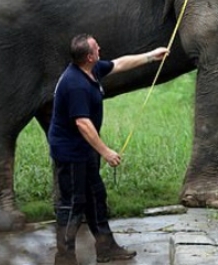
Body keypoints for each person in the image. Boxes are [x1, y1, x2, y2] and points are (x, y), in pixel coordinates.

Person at [49, 34, 169, 264]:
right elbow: (82, 123)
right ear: (89, 56)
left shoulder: (91, 70)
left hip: (85, 150)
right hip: (70, 152)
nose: (100, 48)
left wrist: (151, 56)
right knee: (73, 204)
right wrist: (106, 151)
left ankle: (106, 248)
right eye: (96, 47)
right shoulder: (75, 84)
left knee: (96, 197)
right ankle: (64, 257)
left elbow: (120, 63)